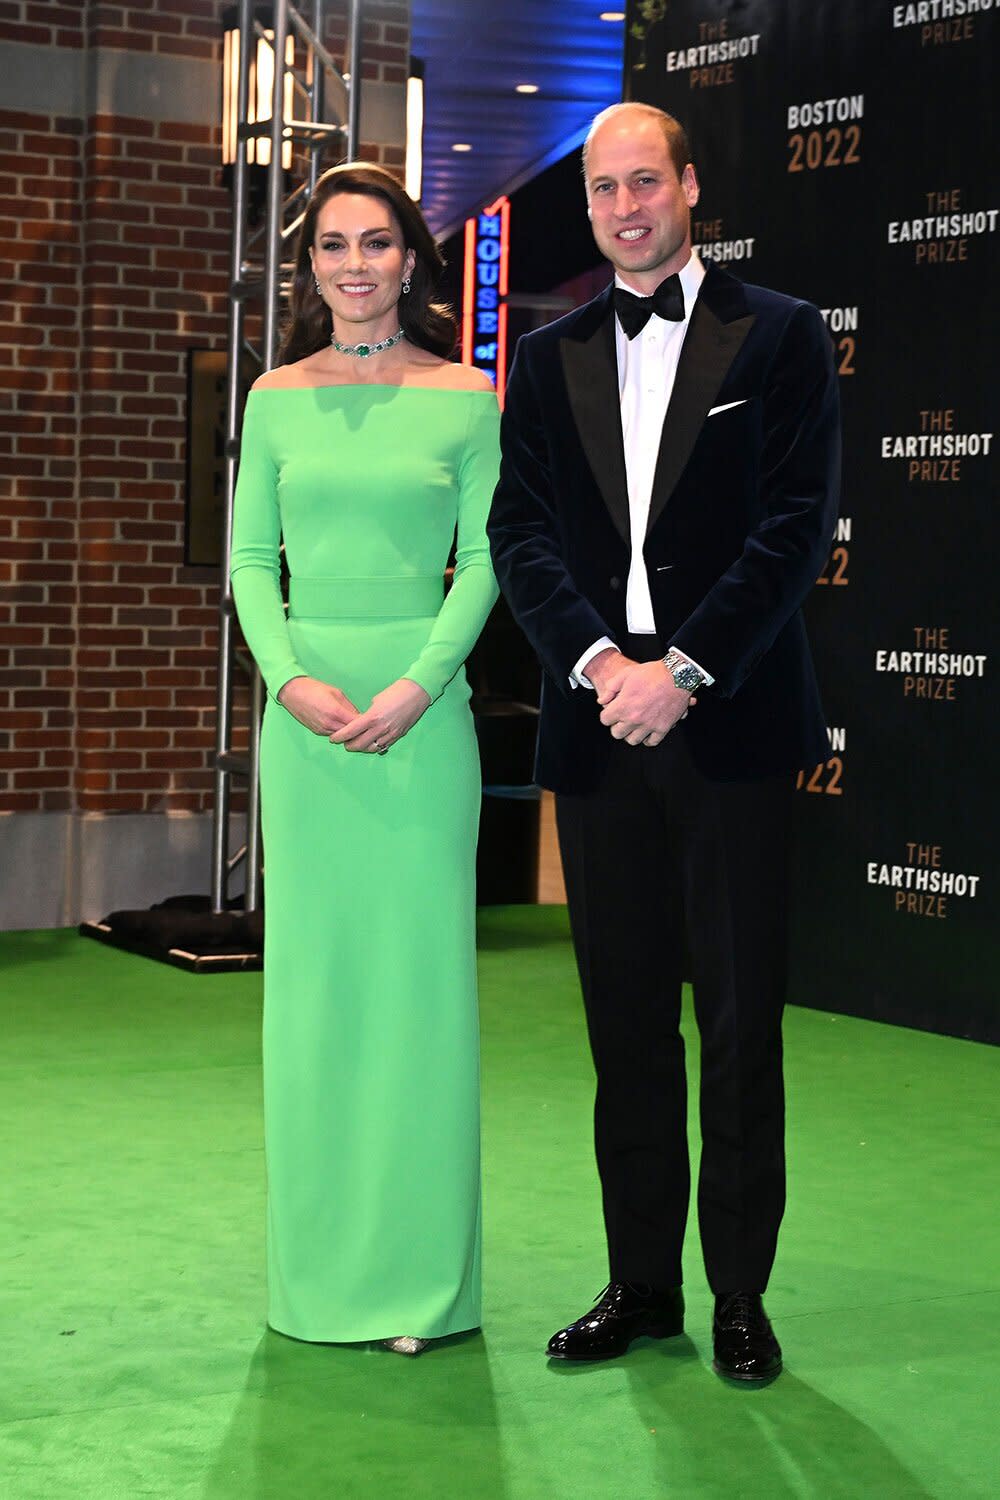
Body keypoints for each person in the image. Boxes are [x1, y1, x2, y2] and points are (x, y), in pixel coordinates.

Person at [488, 103, 840, 1382]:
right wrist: (597, 666)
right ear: (585, 206)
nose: (626, 207)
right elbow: (519, 533)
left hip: (728, 716)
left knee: (741, 1022)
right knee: (622, 1023)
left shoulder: (785, 335)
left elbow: (796, 527)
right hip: (597, 726)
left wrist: (681, 671)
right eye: (602, 190)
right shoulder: (547, 354)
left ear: (690, 187)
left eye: (647, 182)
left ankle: (739, 1293)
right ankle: (641, 1285)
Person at [230, 163, 499, 1356]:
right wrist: (290, 682)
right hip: (305, 728)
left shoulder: (470, 398)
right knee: (318, 1000)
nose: (353, 264)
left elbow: (489, 562)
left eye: (376, 243)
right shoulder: (273, 397)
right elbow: (248, 564)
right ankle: (321, 1280)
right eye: (332, 245)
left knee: (419, 1000)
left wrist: (417, 683)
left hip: (421, 721)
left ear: (411, 262)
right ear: (310, 266)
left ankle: (418, 1287)